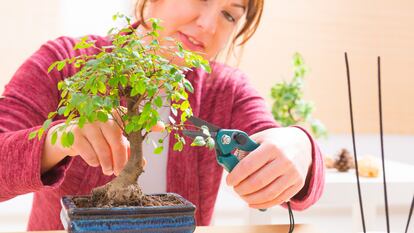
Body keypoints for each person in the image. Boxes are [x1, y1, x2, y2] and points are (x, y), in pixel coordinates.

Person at [0, 0, 324, 231]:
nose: (209, 25)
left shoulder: (226, 90)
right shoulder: (68, 62)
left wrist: (298, 146)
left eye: (228, 14)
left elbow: (273, 148)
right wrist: (61, 138)